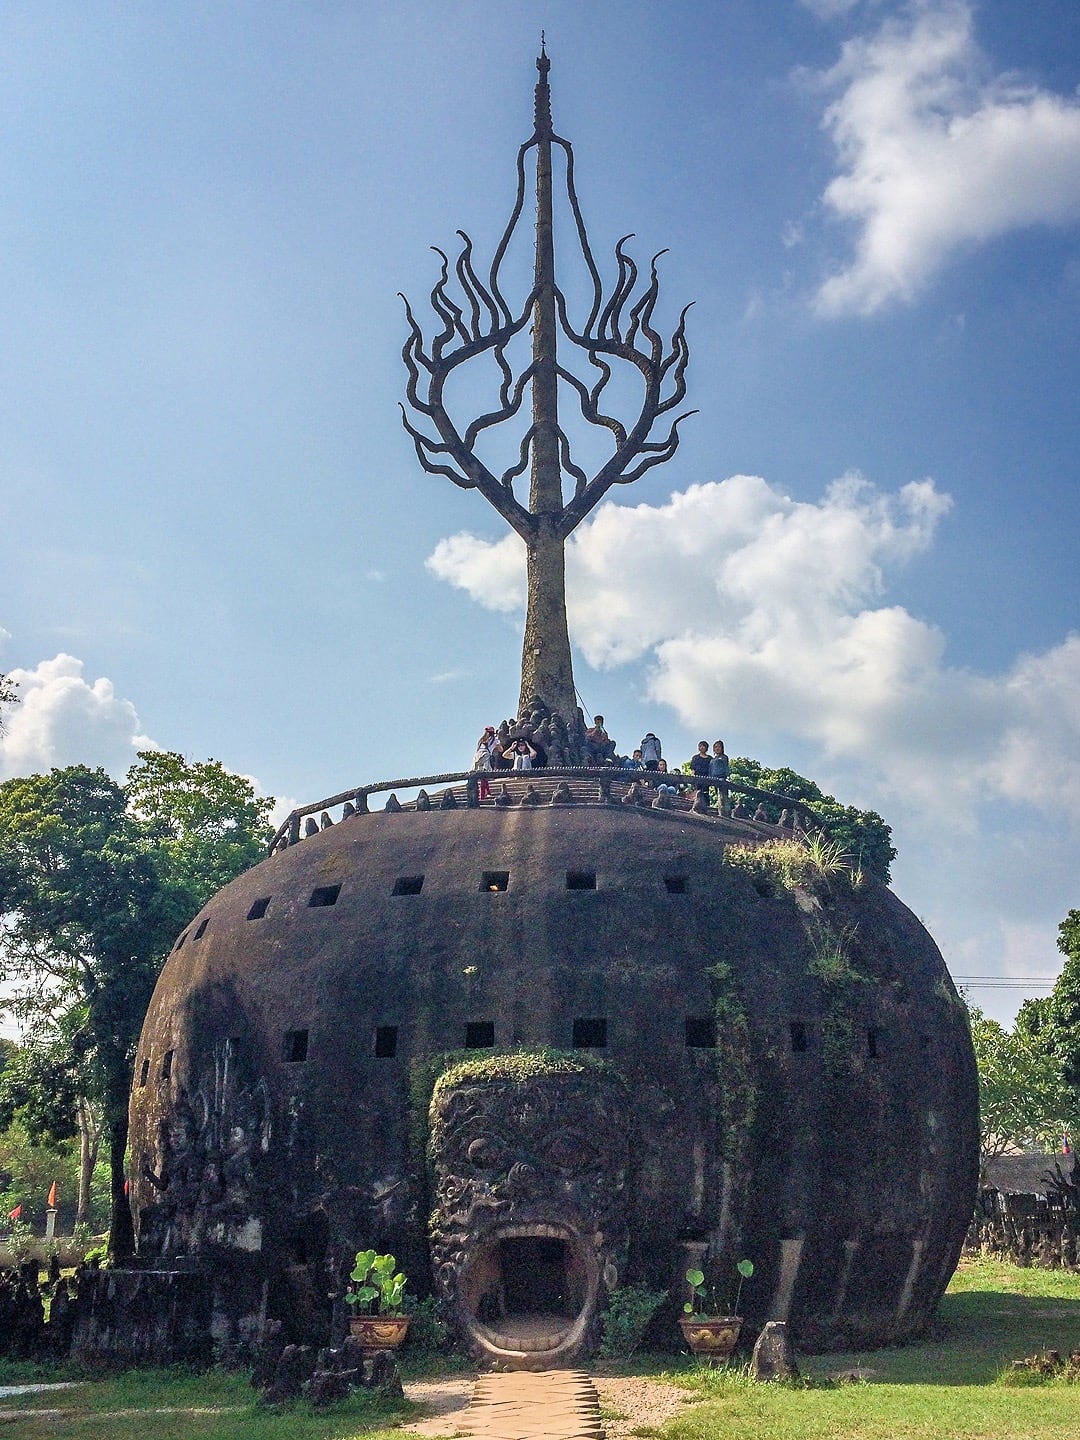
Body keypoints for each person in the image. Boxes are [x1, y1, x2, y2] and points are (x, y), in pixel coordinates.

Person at [472, 727, 497, 800]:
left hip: (478, 758)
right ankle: (483, 795)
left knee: (483, 777)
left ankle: (485, 794)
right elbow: (500, 749)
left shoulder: (480, 740)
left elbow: (477, 750)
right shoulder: (494, 740)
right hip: (485, 758)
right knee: (484, 776)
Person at [709, 739, 730, 813]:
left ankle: (726, 811)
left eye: (719, 747)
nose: (717, 748)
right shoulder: (712, 760)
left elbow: (726, 767)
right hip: (714, 778)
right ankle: (719, 809)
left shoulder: (724, 757)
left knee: (723, 795)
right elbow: (710, 769)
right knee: (717, 794)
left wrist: (726, 775)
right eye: (715, 747)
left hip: (722, 778)